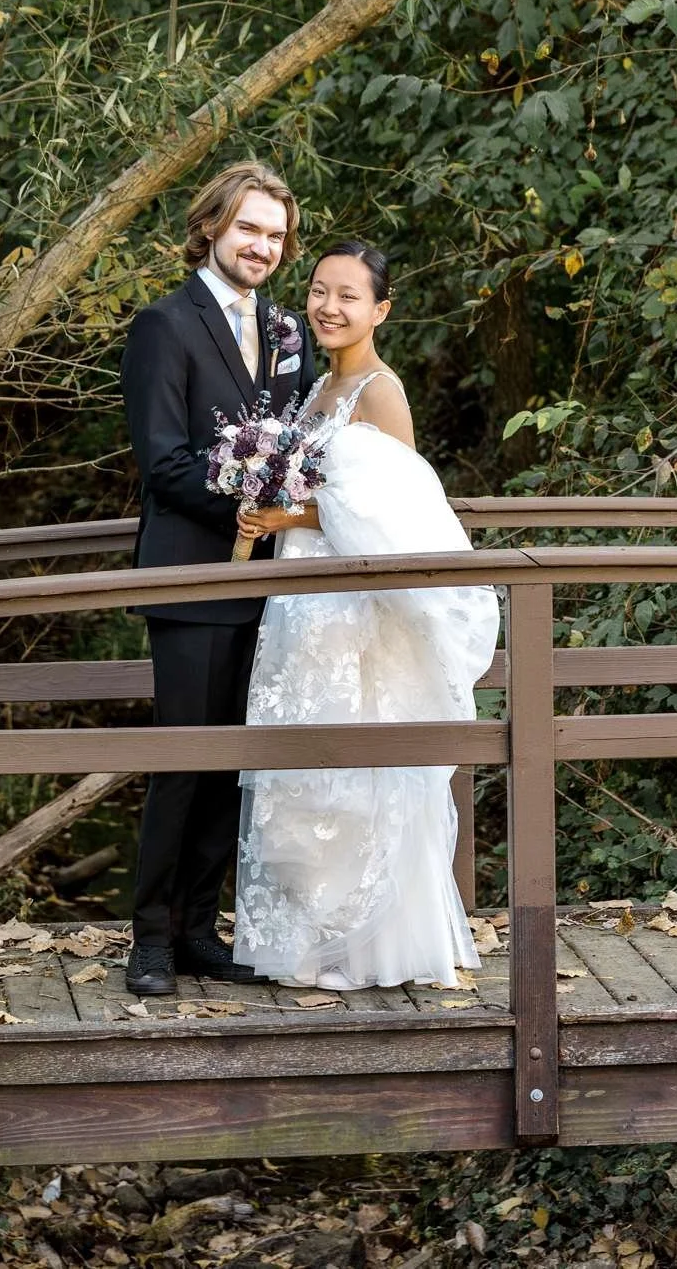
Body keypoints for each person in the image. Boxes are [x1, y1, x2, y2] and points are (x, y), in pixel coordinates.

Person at [230, 239, 499, 990]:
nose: (329, 307)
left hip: (353, 604)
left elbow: (400, 518)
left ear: (380, 309)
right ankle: (314, 943)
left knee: (359, 765)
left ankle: (379, 947)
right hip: (305, 603)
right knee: (304, 766)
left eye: (349, 296)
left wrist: (288, 517)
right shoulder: (313, 392)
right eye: (319, 291)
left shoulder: (382, 391)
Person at [117, 159, 319, 997]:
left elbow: (297, 434)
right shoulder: (164, 325)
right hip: (190, 575)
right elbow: (162, 459)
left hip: (265, 580)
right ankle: (150, 939)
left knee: (236, 759)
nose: (262, 247)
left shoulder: (284, 332)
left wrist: (286, 494)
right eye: (249, 229)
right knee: (185, 758)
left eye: (275, 236)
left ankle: (202, 929)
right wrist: (242, 494)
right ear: (211, 227)